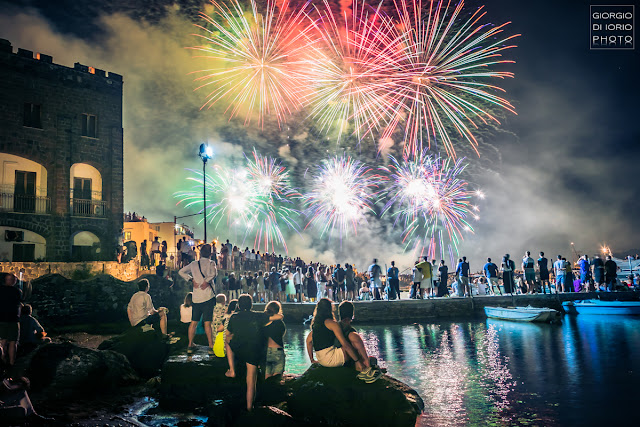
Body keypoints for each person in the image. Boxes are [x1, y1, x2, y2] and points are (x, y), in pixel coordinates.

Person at [225, 294, 283, 411]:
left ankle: (232, 369)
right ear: (251, 305)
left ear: (239, 305)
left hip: (239, 349)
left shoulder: (234, 316)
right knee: (251, 379)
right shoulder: (258, 316)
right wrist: (267, 315)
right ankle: (249, 407)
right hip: (253, 351)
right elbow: (279, 316)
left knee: (227, 340)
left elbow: (227, 333)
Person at [305, 299, 381, 383]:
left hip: (321, 360)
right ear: (330, 309)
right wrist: (357, 361)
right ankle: (362, 369)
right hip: (330, 359)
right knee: (351, 346)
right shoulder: (332, 324)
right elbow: (345, 345)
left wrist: (312, 360)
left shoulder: (317, 326)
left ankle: (363, 365)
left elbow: (308, 342)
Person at [179, 244, 218, 355]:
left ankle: (190, 345)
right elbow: (214, 274)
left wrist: (190, 279)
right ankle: (211, 346)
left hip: (196, 298)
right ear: (210, 254)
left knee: (193, 322)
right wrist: (206, 281)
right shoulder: (211, 263)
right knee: (207, 323)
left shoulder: (193, 264)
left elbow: (181, 271)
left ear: (200, 253)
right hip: (208, 297)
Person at [0, 273, 22, 368]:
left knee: (2, 342)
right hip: (13, 319)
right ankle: (12, 362)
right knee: (13, 342)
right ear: (14, 281)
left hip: (1, 319)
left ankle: (2, 361)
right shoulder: (17, 291)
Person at [263, 301, 286, 379]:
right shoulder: (280, 323)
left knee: (266, 377)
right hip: (277, 350)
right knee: (277, 378)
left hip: (265, 351)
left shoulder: (263, 323)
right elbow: (281, 335)